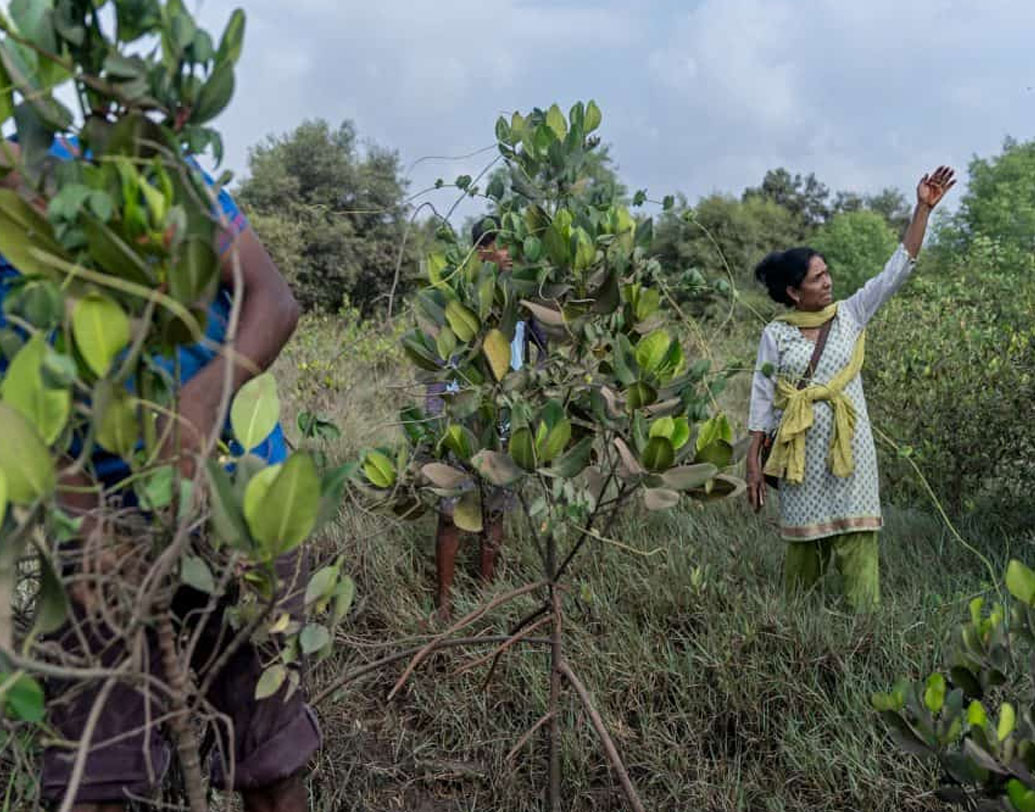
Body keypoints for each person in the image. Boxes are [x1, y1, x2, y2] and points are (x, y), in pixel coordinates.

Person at [0, 137, 318, 811]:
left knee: (268, 760)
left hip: (237, 500)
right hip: (86, 515)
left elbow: (274, 301)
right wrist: (87, 523)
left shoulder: (138, 164)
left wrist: (201, 403)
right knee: (97, 778)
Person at [745, 166, 956, 611]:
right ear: (792, 291)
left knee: (859, 540)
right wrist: (752, 461)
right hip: (800, 460)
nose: (828, 282)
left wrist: (922, 209)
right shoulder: (776, 334)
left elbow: (897, 269)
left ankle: (865, 629)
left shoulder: (850, 315)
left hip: (852, 456)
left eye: (826, 274)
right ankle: (795, 629)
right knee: (804, 549)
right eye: (817, 278)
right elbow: (763, 400)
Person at [429, 215, 544, 618]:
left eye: (514, 246)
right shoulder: (457, 300)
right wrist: (436, 421)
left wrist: (534, 404)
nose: (512, 255)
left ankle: (484, 599)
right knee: (450, 514)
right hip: (463, 421)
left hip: (507, 421)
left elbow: (543, 354)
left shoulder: (523, 301)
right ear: (482, 252)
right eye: (502, 246)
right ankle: (443, 604)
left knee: (495, 511)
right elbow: (437, 365)